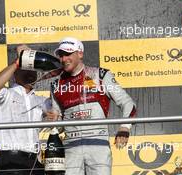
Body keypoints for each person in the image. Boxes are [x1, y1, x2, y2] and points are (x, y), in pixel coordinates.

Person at [50, 37, 136, 175]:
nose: (64, 59)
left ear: (80, 54)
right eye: (61, 55)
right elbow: (58, 126)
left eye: (68, 54)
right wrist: (53, 121)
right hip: (71, 145)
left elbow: (128, 104)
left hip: (98, 142)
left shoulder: (100, 76)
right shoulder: (56, 84)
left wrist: (125, 127)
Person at [0, 45, 56, 175]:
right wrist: (18, 61)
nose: (30, 73)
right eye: (25, 69)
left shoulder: (40, 100)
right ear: (15, 73)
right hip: (11, 160)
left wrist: (53, 116)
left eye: (33, 70)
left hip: (35, 161)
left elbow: (56, 110)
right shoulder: (6, 95)